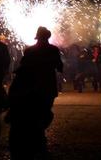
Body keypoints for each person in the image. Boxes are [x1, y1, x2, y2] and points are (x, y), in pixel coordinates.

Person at [8, 26, 63, 159]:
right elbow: (60, 67)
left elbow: (22, 67)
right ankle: (39, 138)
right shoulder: (53, 50)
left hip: (31, 87)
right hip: (47, 87)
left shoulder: (30, 51)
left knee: (32, 112)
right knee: (45, 112)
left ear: (37, 37)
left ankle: (34, 139)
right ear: (48, 37)